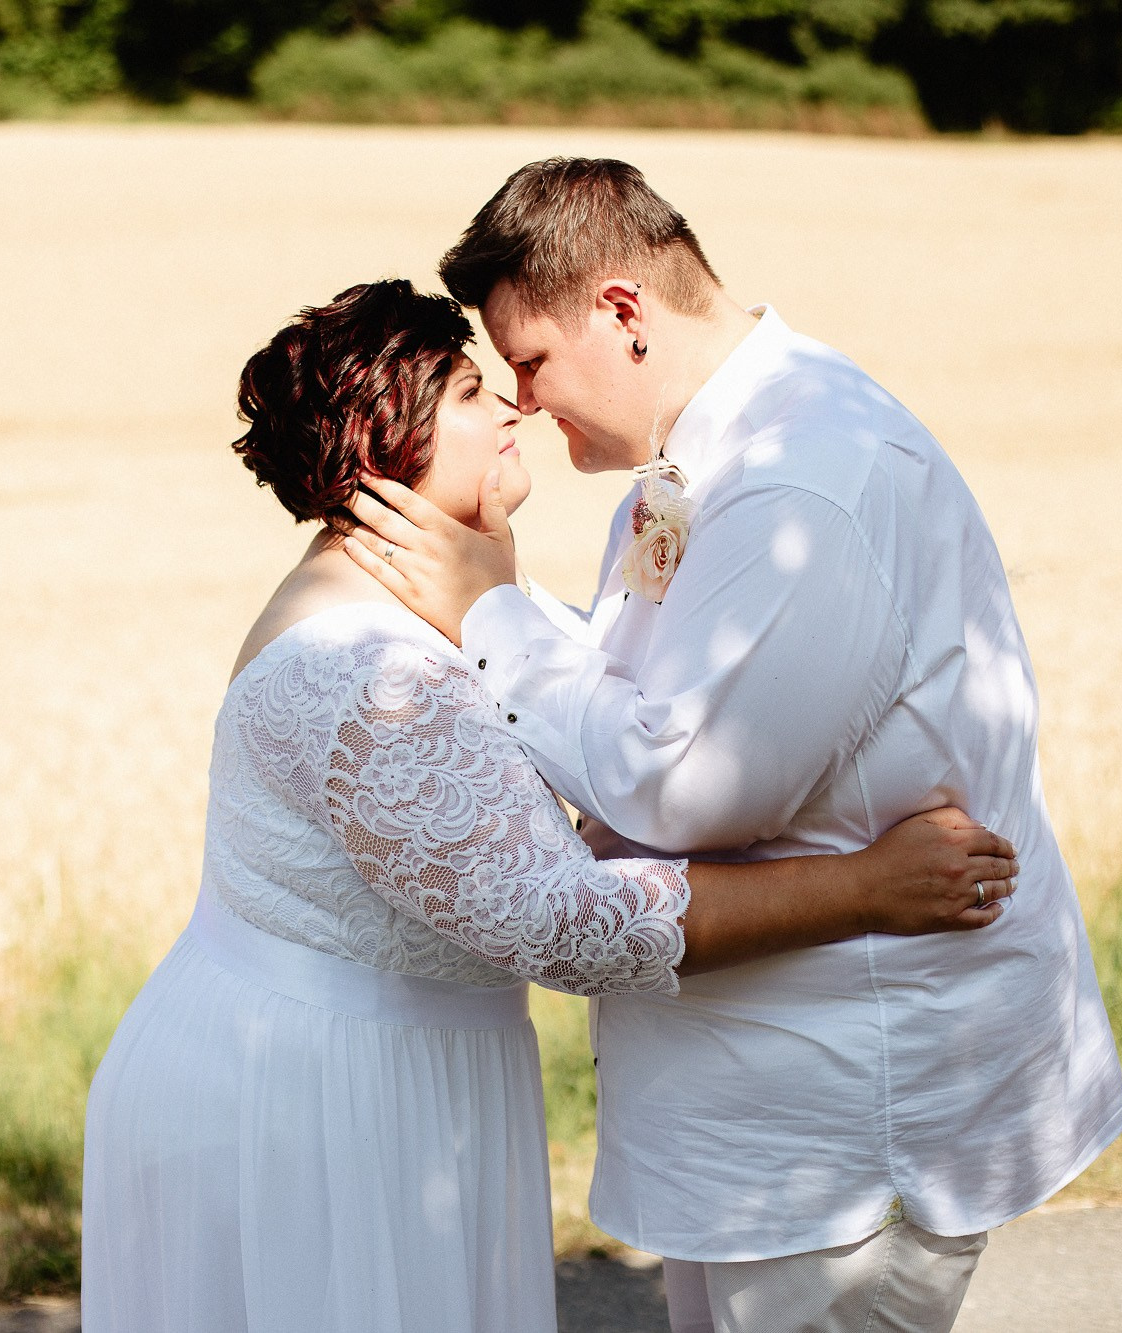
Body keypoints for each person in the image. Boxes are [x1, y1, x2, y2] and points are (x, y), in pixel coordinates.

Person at [78, 279, 1021, 1333]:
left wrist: (497, 591)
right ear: (384, 438)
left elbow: (595, 708)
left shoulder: (434, 596)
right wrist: (868, 887)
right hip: (307, 1104)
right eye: (471, 390)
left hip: (389, 1075)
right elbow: (567, 925)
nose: (513, 406)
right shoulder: (370, 672)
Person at [344, 160, 1122, 1333]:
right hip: (751, 1108)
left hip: (838, 1114)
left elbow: (683, 785)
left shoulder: (801, 484)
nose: (523, 400)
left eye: (531, 359)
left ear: (621, 310)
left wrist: (489, 612)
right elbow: (647, 690)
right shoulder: (709, 454)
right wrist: (494, 604)